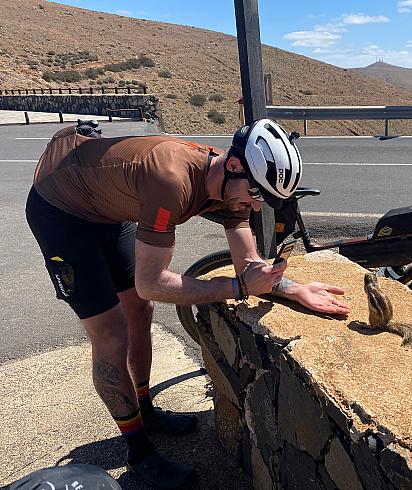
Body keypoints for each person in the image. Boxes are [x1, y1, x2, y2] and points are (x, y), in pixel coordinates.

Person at [25, 119, 351, 489]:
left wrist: (293, 288)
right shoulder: (172, 181)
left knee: (138, 311)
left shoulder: (235, 187)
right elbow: (153, 283)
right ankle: (140, 453)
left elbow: (248, 265)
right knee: (113, 334)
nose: (256, 207)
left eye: (265, 201)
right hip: (61, 213)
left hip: (108, 208)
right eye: (255, 196)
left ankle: (144, 410)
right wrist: (238, 287)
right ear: (232, 165)